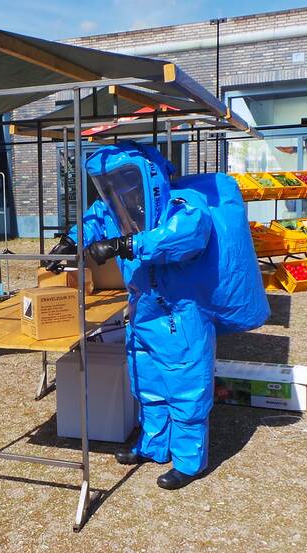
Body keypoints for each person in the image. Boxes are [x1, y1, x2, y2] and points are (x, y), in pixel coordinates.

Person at [47, 141, 268, 490]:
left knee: (185, 388)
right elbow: (95, 218)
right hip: (144, 311)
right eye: (111, 182)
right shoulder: (121, 209)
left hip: (180, 316)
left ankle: (188, 462)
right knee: (147, 383)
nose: (118, 188)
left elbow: (184, 237)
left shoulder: (184, 205)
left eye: (123, 179)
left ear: (147, 177)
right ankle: (153, 446)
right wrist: (70, 241)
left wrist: (126, 245)